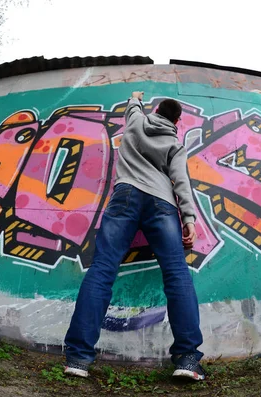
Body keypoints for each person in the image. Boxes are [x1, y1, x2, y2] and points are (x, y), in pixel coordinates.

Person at [63, 91, 205, 380]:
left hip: (125, 195)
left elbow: (132, 108)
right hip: (162, 203)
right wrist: (188, 218)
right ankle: (187, 359)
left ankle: (78, 359)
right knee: (176, 273)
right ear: (177, 120)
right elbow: (181, 180)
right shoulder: (175, 144)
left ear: (154, 110)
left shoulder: (136, 123)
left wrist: (135, 98)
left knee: (102, 269)